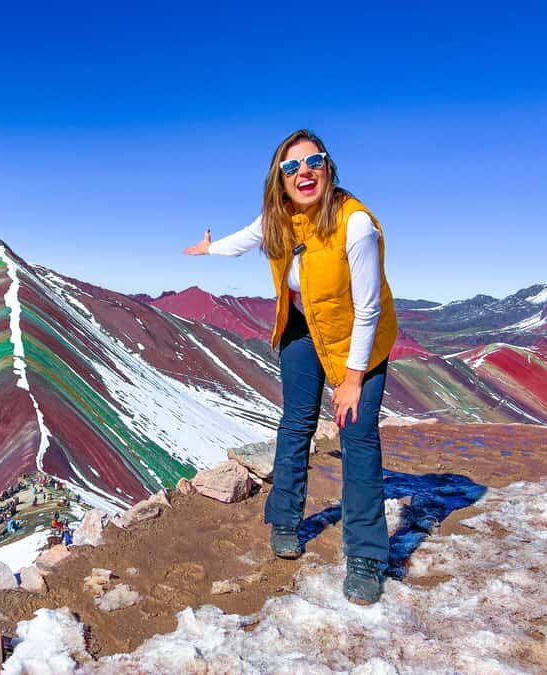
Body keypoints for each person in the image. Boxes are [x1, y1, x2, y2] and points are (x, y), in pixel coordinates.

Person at [184, 129, 398, 605]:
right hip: (303, 326)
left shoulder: (355, 224)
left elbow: (368, 310)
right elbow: (247, 238)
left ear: (329, 168)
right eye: (291, 167)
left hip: (354, 339)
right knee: (296, 420)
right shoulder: (280, 218)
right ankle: (285, 519)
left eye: (313, 162)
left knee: (357, 433)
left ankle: (365, 556)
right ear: (279, 180)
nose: (303, 172)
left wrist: (353, 378)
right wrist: (210, 249)